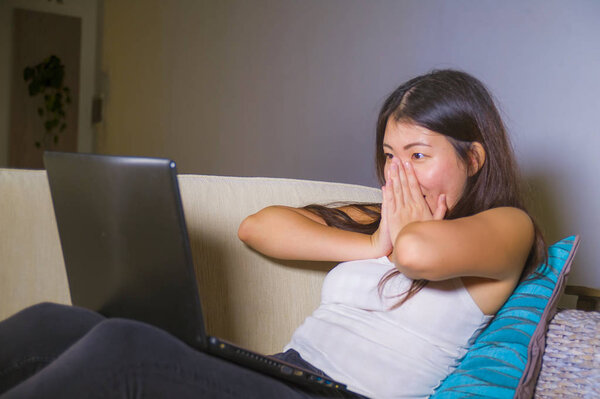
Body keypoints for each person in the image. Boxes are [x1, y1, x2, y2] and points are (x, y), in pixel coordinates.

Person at [0, 69, 545, 399]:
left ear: (473, 157)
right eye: (388, 157)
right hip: (286, 373)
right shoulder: (383, 224)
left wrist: (394, 238)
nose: (396, 175)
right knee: (61, 320)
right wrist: (371, 243)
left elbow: (419, 251)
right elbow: (258, 227)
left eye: (418, 156)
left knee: (126, 346)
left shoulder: (505, 228)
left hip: (342, 395)